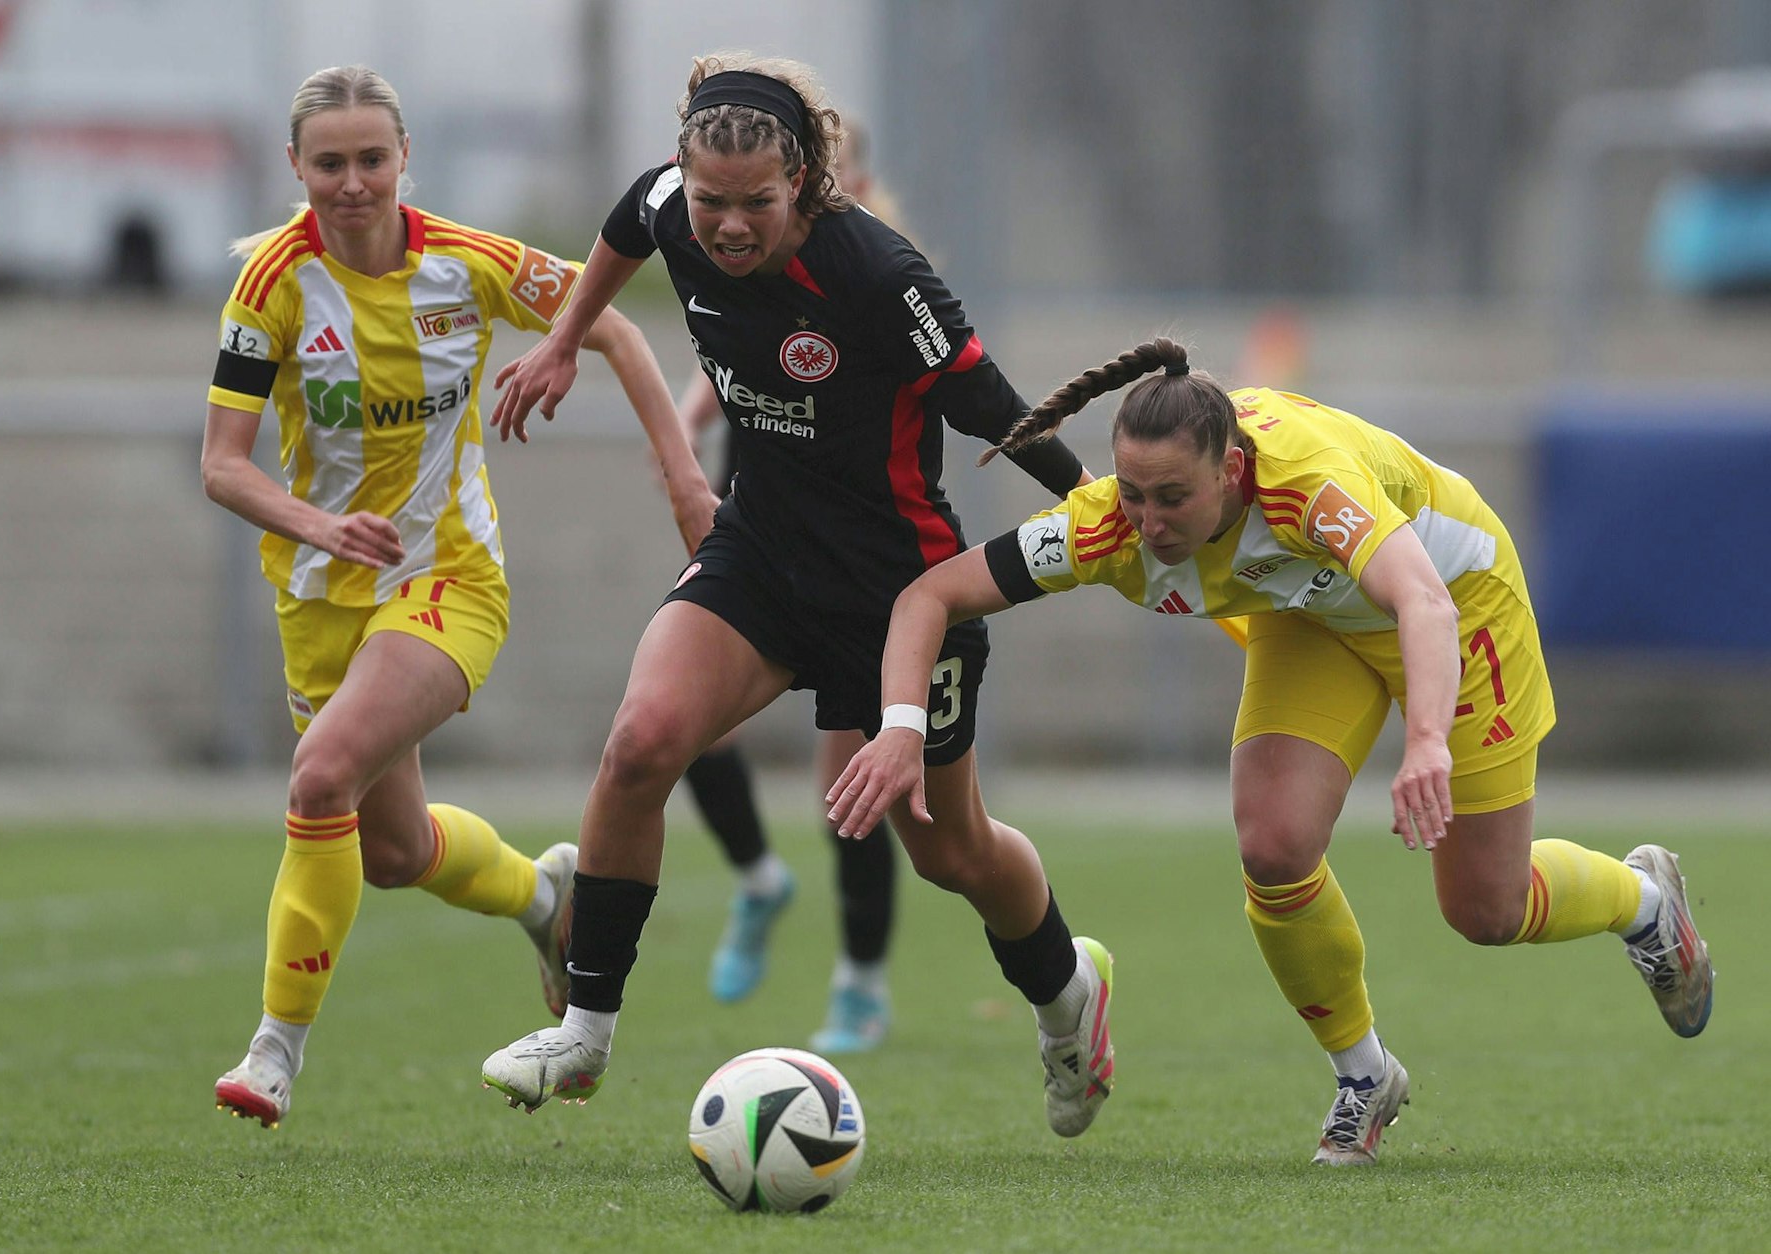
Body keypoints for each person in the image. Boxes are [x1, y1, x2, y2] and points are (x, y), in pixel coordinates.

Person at [829, 335, 1717, 1165]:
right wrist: (904, 727)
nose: (1148, 523)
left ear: (1235, 472)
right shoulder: (1107, 528)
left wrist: (1423, 745)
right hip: (1317, 617)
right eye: (1134, 494)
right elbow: (927, 598)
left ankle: (1643, 902)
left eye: (1173, 498)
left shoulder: (1307, 488)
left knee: (1486, 910)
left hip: (1456, 601)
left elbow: (1424, 607)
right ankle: (1364, 1077)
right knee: (1272, 844)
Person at [478, 53, 1117, 1139]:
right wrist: (560, 339)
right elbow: (625, 225)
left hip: (898, 588)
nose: (725, 227)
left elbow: (992, 407)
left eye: (755, 205)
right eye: (711, 200)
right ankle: (585, 1030)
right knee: (640, 743)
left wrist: (1106, 511)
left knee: (949, 852)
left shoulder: (878, 274)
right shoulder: (670, 201)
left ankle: (1067, 1002)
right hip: (760, 554)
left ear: (809, 183)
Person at [200, 65, 714, 1129]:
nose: (352, 184)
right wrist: (317, 525)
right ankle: (543, 897)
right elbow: (223, 465)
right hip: (318, 592)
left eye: (371, 160)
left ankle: (272, 1052)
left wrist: (680, 476)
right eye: (329, 164)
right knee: (388, 853)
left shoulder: (467, 263)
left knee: (320, 775)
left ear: (403, 162)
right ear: (295, 170)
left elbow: (613, 324)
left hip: (445, 581)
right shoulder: (269, 286)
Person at [675, 119, 902, 1053]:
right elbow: (727, 365)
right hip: (755, 529)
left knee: (847, 783)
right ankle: (759, 876)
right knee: (675, 725)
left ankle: (860, 985)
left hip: (851, 552)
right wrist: (689, 421)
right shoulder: (747, 259)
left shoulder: (877, 267)